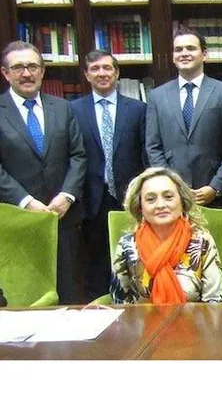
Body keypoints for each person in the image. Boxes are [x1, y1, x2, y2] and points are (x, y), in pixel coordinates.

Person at [0, 41, 86, 304]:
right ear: (5, 73)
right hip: (18, 221)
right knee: (27, 298)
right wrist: (26, 201)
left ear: (42, 70)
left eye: (32, 66)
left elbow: (78, 155)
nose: (26, 73)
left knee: (68, 294)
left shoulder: (62, 107)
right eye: (18, 67)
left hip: (63, 218)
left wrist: (68, 195)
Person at [71, 50, 148, 301]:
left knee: (134, 258)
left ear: (117, 73)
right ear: (86, 74)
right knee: (96, 265)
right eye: (95, 69)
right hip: (92, 198)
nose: (102, 73)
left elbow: (146, 153)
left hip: (130, 196)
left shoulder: (138, 109)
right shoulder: (72, 110)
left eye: (107, 68)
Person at [145, 26, 222, 208]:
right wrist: (171, 185)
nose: (184, 53)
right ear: (172, 56)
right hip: (172, 197)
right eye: (178, 50)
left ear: (204, 54)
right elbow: (153, 147)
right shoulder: (157, 96)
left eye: (191, 48)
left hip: (216, 195)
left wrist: (216, 186)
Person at [110, 167, 222, 304]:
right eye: (151, 199)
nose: (160, 205)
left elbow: (213, 302)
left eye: (168, 197)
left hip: (193, 323)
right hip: (141, 324)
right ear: (140, 207)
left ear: (182, 202)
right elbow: (120, 302)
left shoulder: (202, 241)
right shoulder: (127, 245)